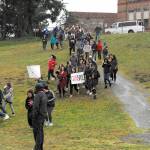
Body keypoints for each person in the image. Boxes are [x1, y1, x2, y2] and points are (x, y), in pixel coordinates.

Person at [32, 83, 47, 150]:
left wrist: (33, 117)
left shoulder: (37, 96)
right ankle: (40, 147)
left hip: (37, 117)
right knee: (40, 132)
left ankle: (37, 148)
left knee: (37, 134)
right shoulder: (44, 94)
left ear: (37, 88)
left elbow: (36, 107)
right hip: (42, 116)